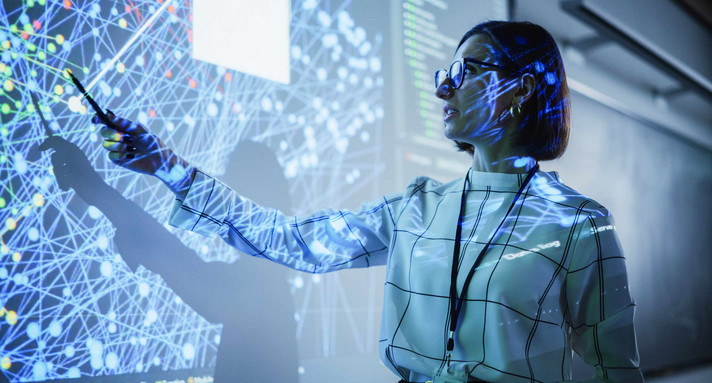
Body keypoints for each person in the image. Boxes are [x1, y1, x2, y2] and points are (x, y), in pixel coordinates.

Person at [92, 21, 643, 383]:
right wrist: (165, 164)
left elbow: (614, 369)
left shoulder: (579, 226)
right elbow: (292, 242)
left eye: (465, 72)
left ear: (523, 89)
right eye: (442, 74)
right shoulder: (418, 208)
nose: (443, 89)